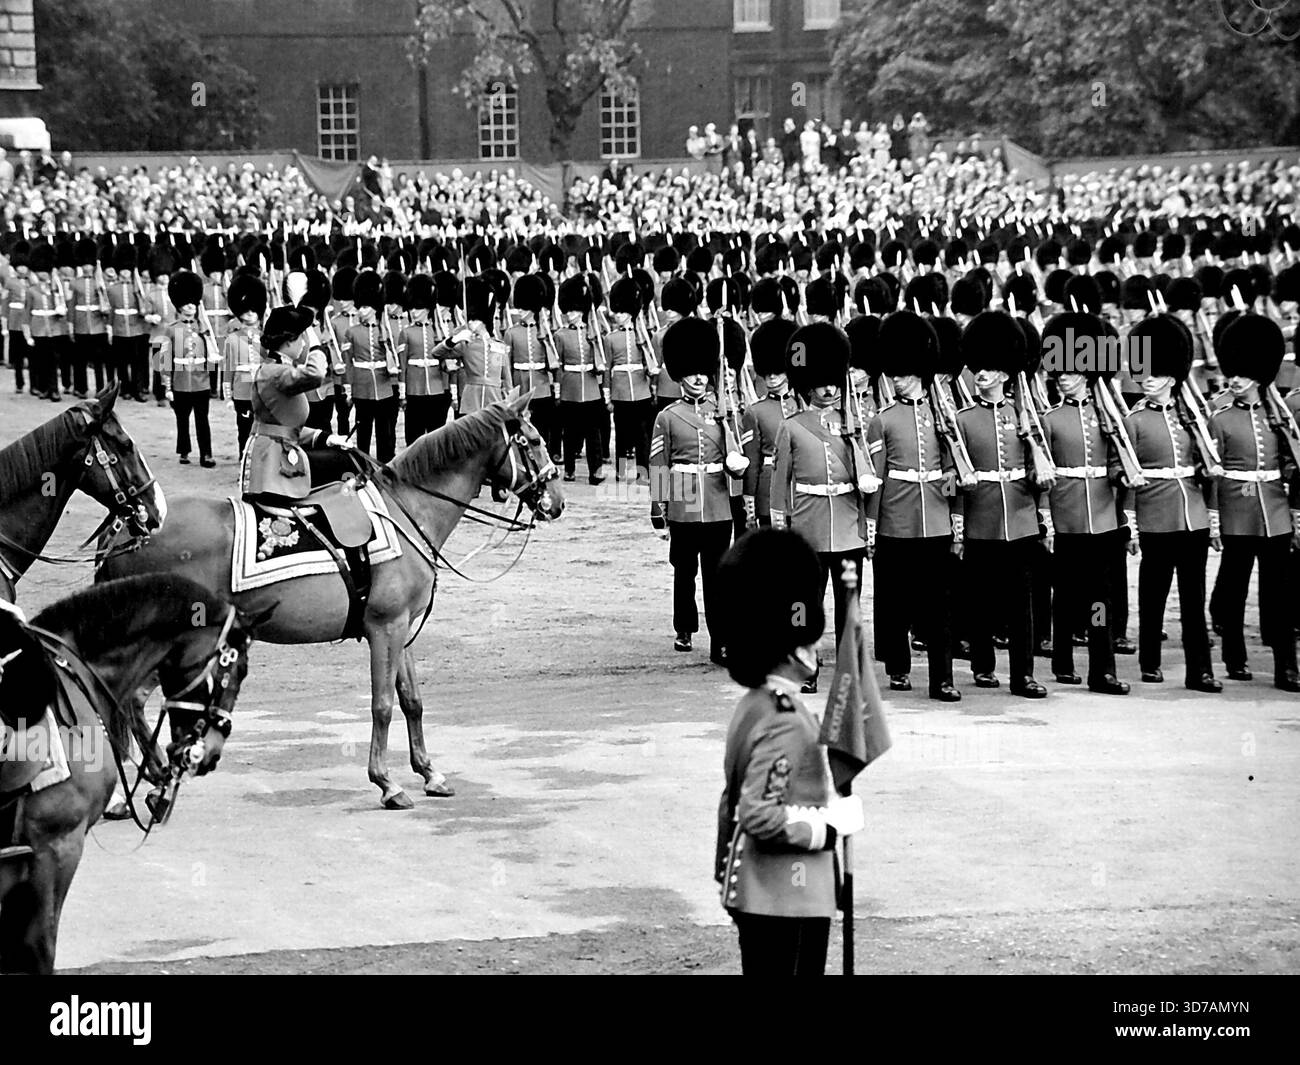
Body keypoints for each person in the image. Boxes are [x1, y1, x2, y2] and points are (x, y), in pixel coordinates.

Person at [714, 527, 862, 977]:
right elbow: (757, 813)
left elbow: (733, 807)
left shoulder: (757, 705)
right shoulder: (783, 720)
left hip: (765, 892)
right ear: (789, 644)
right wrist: (826, 828)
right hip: (785, 895)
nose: (814, 646)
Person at [1117, 314, 1221, 692]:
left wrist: (1213, 518)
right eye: (1145, 372)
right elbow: (1129, 476)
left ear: (1173, 377)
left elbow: (1208, 473)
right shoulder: (1135, 420)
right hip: (1155, 517)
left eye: (1156, 374)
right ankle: (1149, 661)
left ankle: (1201, 670)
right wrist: (1129, 523)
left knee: (1194, 600)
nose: (1147, 379)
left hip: (1191, 516)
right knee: (1153, 594)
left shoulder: (1194, 418)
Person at [770, 322, 875, 693]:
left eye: (834, 381)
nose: (829, 389)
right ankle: (807, 666)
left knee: (850, 606)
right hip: (809, 528)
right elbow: (780, 484)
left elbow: (866, 481)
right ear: (807, 384)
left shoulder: (854, 424)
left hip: (847, 527)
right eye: (821, 381)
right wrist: (781, 531)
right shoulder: (792, 427)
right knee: (806, 606)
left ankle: (852, 668)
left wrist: (868, 527)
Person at [865, 311, 961, 701]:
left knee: (939, 607)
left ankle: (942, 677)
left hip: (936, 519)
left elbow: (956, 472)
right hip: (895, 521)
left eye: (904, 372)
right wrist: (872, 528)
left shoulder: (943, 415)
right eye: (895, 372)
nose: (897, 379)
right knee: (894, 601)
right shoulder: (882, 421)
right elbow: (876, 480)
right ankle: (899, 668)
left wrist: (956, 522)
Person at [955, 311, 1048, 698]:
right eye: (980, 367)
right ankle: (982, 665)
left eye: (991, 368)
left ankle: (1023, 674)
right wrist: (960, 525)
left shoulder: (1025, 416)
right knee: (980, 599)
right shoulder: (963, 418)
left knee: (1020, 604)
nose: (982, 374)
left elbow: (1039, 470)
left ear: (1007, 374)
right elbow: (957, 475)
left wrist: (1043, 516)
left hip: (1021, 516)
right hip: (982, 517)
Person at [1208, 315, 1299, 692]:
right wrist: (1215, 518)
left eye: (1243, 375)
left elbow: (1291, 467)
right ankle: (1234, 654)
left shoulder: (1279, 415)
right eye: (1234, 374)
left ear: (1259, 376)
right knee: (1234, 584)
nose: (1235, 380)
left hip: (1274, 510)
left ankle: (1286, 664)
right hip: (1238, 510)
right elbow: (1213, 473)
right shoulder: (1220, 418)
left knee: (1280, 592)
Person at [1039, 313, 1129, 694]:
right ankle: (1062, 661)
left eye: (1071, 370)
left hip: (1104, 518)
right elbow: (1041, 472)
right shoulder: (1050, 418)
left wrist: (1122, 474)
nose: (1062, 375)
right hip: (1066, 517)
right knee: (1065, 596)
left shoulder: (1108, 416)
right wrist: (1047, 517)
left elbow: (1117, 463)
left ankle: (1101, 668)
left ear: (1088, 372)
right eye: (1059, 369)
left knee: (1100, 599)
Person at [649, 316, 747, 662]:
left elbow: (735, 455)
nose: (699, 378)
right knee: (684, 570)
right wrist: (658, 509)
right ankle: (685, 626)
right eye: (692, 373)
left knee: (717, 577)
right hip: (685, 502)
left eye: (703, 372)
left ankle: (720, 640)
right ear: (680, 374)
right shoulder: (668, 416)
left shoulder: (722, 411)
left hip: (718, 501)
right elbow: (659, 464)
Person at [241, 304, 349, 504]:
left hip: (277, 449)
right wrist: (317, 347)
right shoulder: (274, 372)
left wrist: (326, 438)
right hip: (270, 458)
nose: (304, 344)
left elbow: (285, 428)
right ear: (290, 341)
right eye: (302, 338)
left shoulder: (277, 369)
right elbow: (315, 374)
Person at [741, 317, 801, 529]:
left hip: (802, 493)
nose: (772, 377)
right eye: (767, 372)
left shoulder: (804, 406)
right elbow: (752, 463)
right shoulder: (755, 412)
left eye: (778, 371)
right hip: (767, 493)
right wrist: (750, 504)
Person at [160, 269, 220, 468]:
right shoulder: (171, 329)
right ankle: (184, 450)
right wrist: (167, 386)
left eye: (193, 304)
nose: (190, 308)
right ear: (179, 306)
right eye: (186, 304)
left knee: (203, 420)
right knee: (182, 420)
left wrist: (212, 380)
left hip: (200, 381)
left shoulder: (203, 328)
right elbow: (165, 359)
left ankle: (206, 454)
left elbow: (211, 357)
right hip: (180, 382)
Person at [342, 271, 401, 462]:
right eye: (360, 307)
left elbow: (395, 360)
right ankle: (363, 464)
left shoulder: (386, 331)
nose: (361, 311)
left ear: (375, 308)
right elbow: (349, 363)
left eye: (365, 307)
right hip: (362, 386)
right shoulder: (351, 332)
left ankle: (385, 463)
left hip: (384, 386)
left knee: (385, 432)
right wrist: (349, 388)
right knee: (363, 432)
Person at [604, 276, 658, 482]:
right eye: (616, 312)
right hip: (620, 391)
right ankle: (621, 471)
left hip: (641, 389)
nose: (617, 316)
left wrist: (652, 386)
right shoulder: (610, 338)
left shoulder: (643, 335)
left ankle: (642, 471)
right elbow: (609, 368)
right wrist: (607, 396)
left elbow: (649, 364)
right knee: (622, 434)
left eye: (621, 312)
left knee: (642, 435)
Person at [554, 275, 607, 484]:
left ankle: (596, 470)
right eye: (567, 310)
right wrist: (558, 391)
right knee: (570, 433)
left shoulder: (593, 332)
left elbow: (602, 359)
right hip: (570, 387)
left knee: (593, 434)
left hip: (591, 386)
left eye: (574, 310)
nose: (570, 315)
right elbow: (558, 365)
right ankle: (569, 469)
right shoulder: (560, 335)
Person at [398, 273, 451, 445]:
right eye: (411, 308)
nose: (413, 312)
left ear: (428, 308)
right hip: (415, 390)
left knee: (436, 438)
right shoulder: (406, 332)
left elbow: (446, 359)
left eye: (418, 308)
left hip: (437, 389)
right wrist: (403, 392)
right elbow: (403, 364)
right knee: (414, 438)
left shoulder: (439, 330)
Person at [221, 273, 266, 456]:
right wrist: (228, 395)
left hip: (262, 388)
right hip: (242, 391)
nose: (250, 314)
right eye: (246, 310)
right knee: (244, 429)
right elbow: (228, 369)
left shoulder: (265, 337)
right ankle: (244, 458)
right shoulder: (232, 338)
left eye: (254, 310)